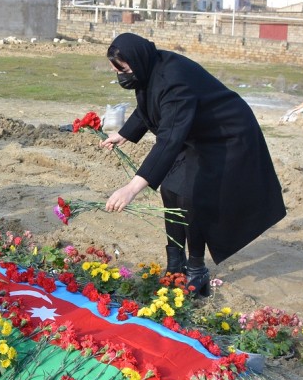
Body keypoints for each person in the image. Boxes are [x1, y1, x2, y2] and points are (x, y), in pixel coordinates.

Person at [99, 33, 286, 296]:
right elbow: (149, 107)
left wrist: (131, 188)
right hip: (196, 131)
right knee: (171, 189)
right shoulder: (150, 68)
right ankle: (176, 264)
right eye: (117, 70)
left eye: (124, 70)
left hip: (226, 135)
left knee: (191, 195)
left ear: (137, 61)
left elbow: (169, 141)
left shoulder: (174, 82)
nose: (122, 76)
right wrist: (125, 133)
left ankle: (197, 270)